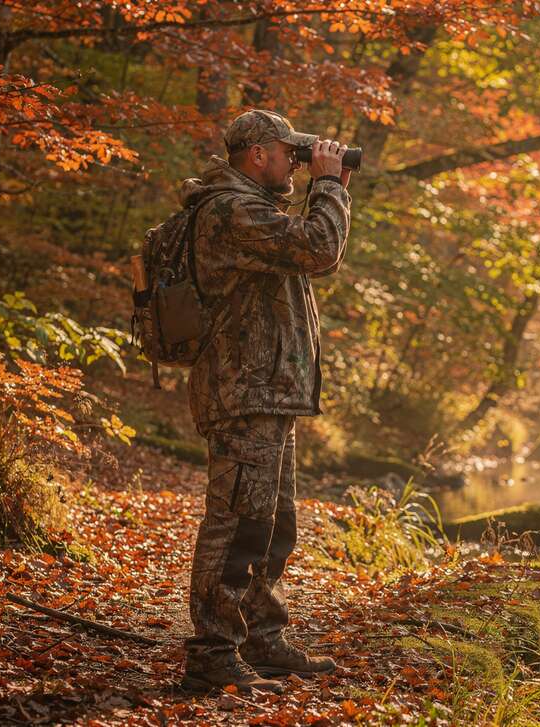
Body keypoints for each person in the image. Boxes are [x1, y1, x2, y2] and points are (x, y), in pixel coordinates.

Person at [177, 109, 352, 694]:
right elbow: (320, 246)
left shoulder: (254, 209)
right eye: (289, 153)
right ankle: (211, 652)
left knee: (275, 526)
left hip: (269, 392)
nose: (297, 164)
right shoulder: (230, 211)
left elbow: (308, 251)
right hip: (243, 389)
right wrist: (328, 186)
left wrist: (327, 187)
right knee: (238, 525)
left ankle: (261, 638)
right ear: (258, 155)